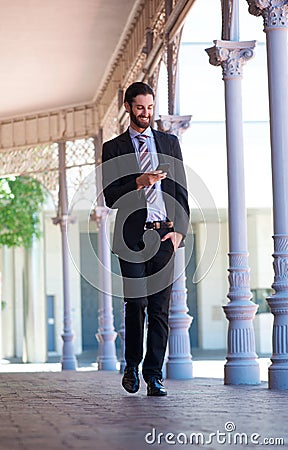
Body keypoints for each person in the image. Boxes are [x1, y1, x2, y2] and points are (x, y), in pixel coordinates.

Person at [102, 82, 189, 396]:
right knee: (136, 303)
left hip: (164, 235)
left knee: (159, 309)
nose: (146, 113)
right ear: (128, 107)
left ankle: (154, 376)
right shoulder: (113, 148)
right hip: (131, 238)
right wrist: (139, 181)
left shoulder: (169, 142)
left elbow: (181, 190)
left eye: (150, 108)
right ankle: (131, 366)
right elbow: (110, 196)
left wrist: (179, 232)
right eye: (140, 107)